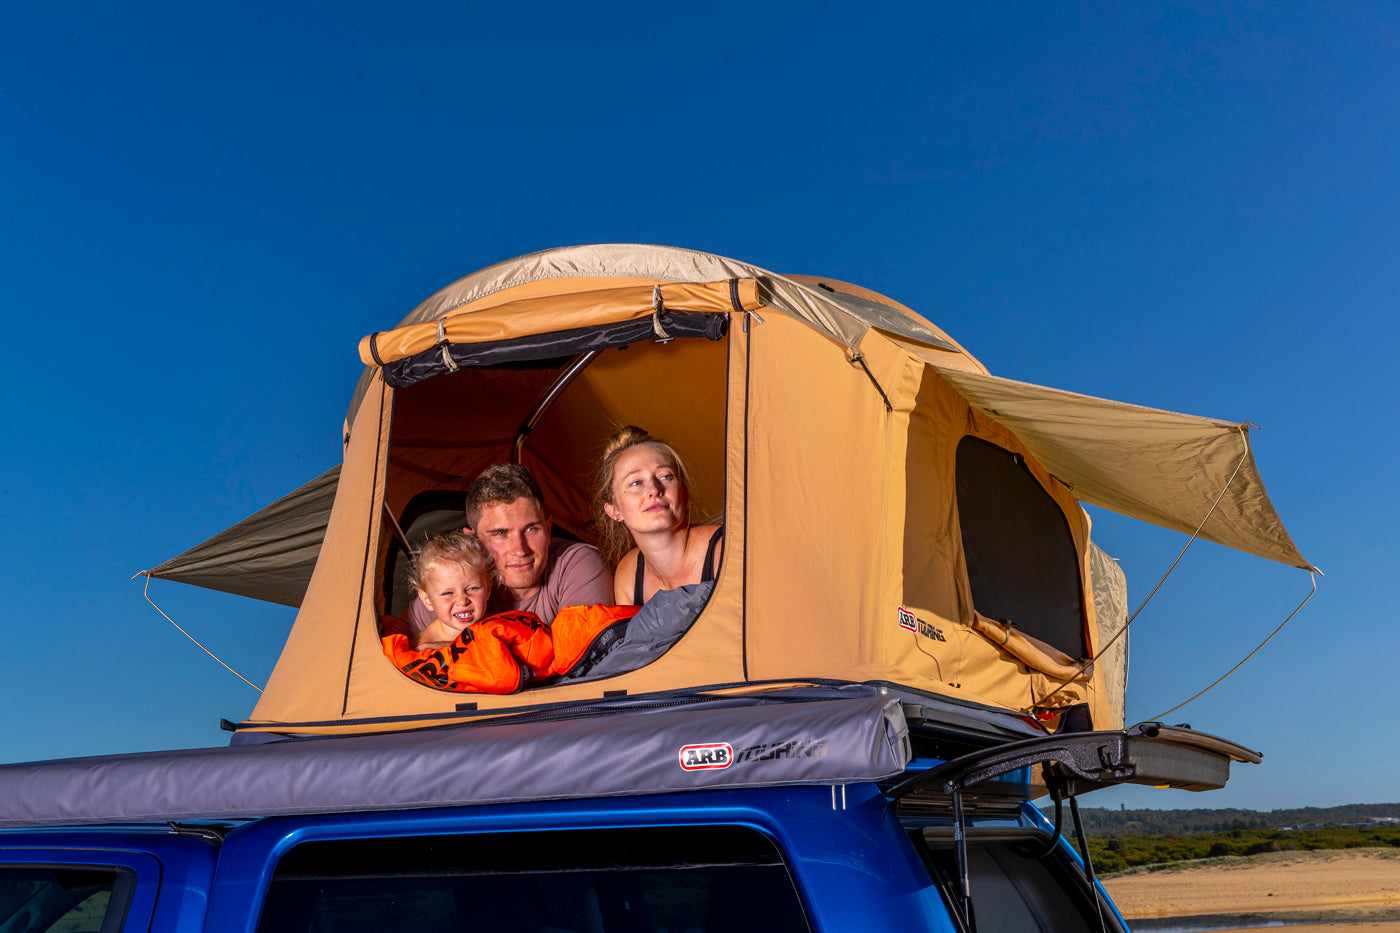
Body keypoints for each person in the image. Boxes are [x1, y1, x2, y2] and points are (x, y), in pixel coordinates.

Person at [396, 464, 612, 637]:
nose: (520, 549)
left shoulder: (577, 565)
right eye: (500, 534)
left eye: (530, 529)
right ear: (473, 541)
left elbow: (585, 667)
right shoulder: (454, 586)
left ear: (547, 529)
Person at [382, 531, 553, 694]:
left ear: (487, 589)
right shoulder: (422, 652)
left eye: (472, 589)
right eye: (448, 593)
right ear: (427, 600)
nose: (462, 600)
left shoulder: (497, 629)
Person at [595, 426, 723, 606]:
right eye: (636, 482)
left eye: (665, 477)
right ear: (614, 511)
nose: (654, 490)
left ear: (683, 493)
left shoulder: (724, 548)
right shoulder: (628, 575)